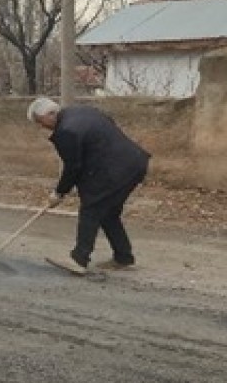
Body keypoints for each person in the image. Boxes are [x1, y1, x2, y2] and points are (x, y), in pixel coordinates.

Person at [27, 97, 150, 275]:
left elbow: (73, 166)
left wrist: (59, 192)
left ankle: (79, 259)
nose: (42, 127)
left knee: (91, 209)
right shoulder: (83, 111)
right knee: (108, 213)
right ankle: (123, 257)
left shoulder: (66, 131)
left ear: (48, 115)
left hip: (114, 170)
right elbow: (104, 130)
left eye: (40, 122)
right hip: (135, 163)